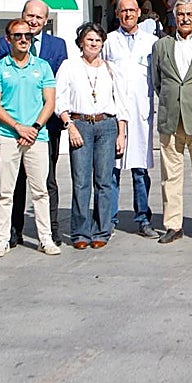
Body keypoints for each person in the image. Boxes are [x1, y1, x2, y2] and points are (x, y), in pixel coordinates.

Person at [0, 0, 68, 248]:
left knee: (46, 182)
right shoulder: (7, 45)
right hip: (12, 130)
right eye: (30, 16)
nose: (34, 21)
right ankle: (13, 232)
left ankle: (50, 232)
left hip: (46, 127)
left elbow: (58, 86)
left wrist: (37, 126)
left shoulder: (57, 47)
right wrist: (17, 127)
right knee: (14, 182)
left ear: (46, 21)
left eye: (39, 17)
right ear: (23, 16)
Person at [55, 22, 126, 250]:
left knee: (104, 181)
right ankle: (80, 232)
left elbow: (121, 103)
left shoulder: (111, 68)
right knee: (81, 181)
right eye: (89, 40)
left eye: (97, 40)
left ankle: (102, 230)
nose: (94, 44)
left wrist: (121, 133)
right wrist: (69, 125)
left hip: (106, 125)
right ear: (81, 43)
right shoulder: (69, 66)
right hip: (80, 125)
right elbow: (60, 99)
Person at [153, 0, 192, 245]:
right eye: (180, 14)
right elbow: (158, 83)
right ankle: (173, 224)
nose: (185, 18)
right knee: (170, 176)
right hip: (171, 120)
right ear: (174, 16)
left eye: (189, 14)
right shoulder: (161, 46)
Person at [102, 0, 157, 237]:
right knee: (111, 169)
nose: (128, 14)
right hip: (113, 112)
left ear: (139, 13)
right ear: (117, 14)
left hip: (141, 113)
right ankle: (108, 219)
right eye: (123, 11)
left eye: (132, 10)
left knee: (140, 169)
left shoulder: (152, 42)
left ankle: (143, 218)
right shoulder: (108, 41)